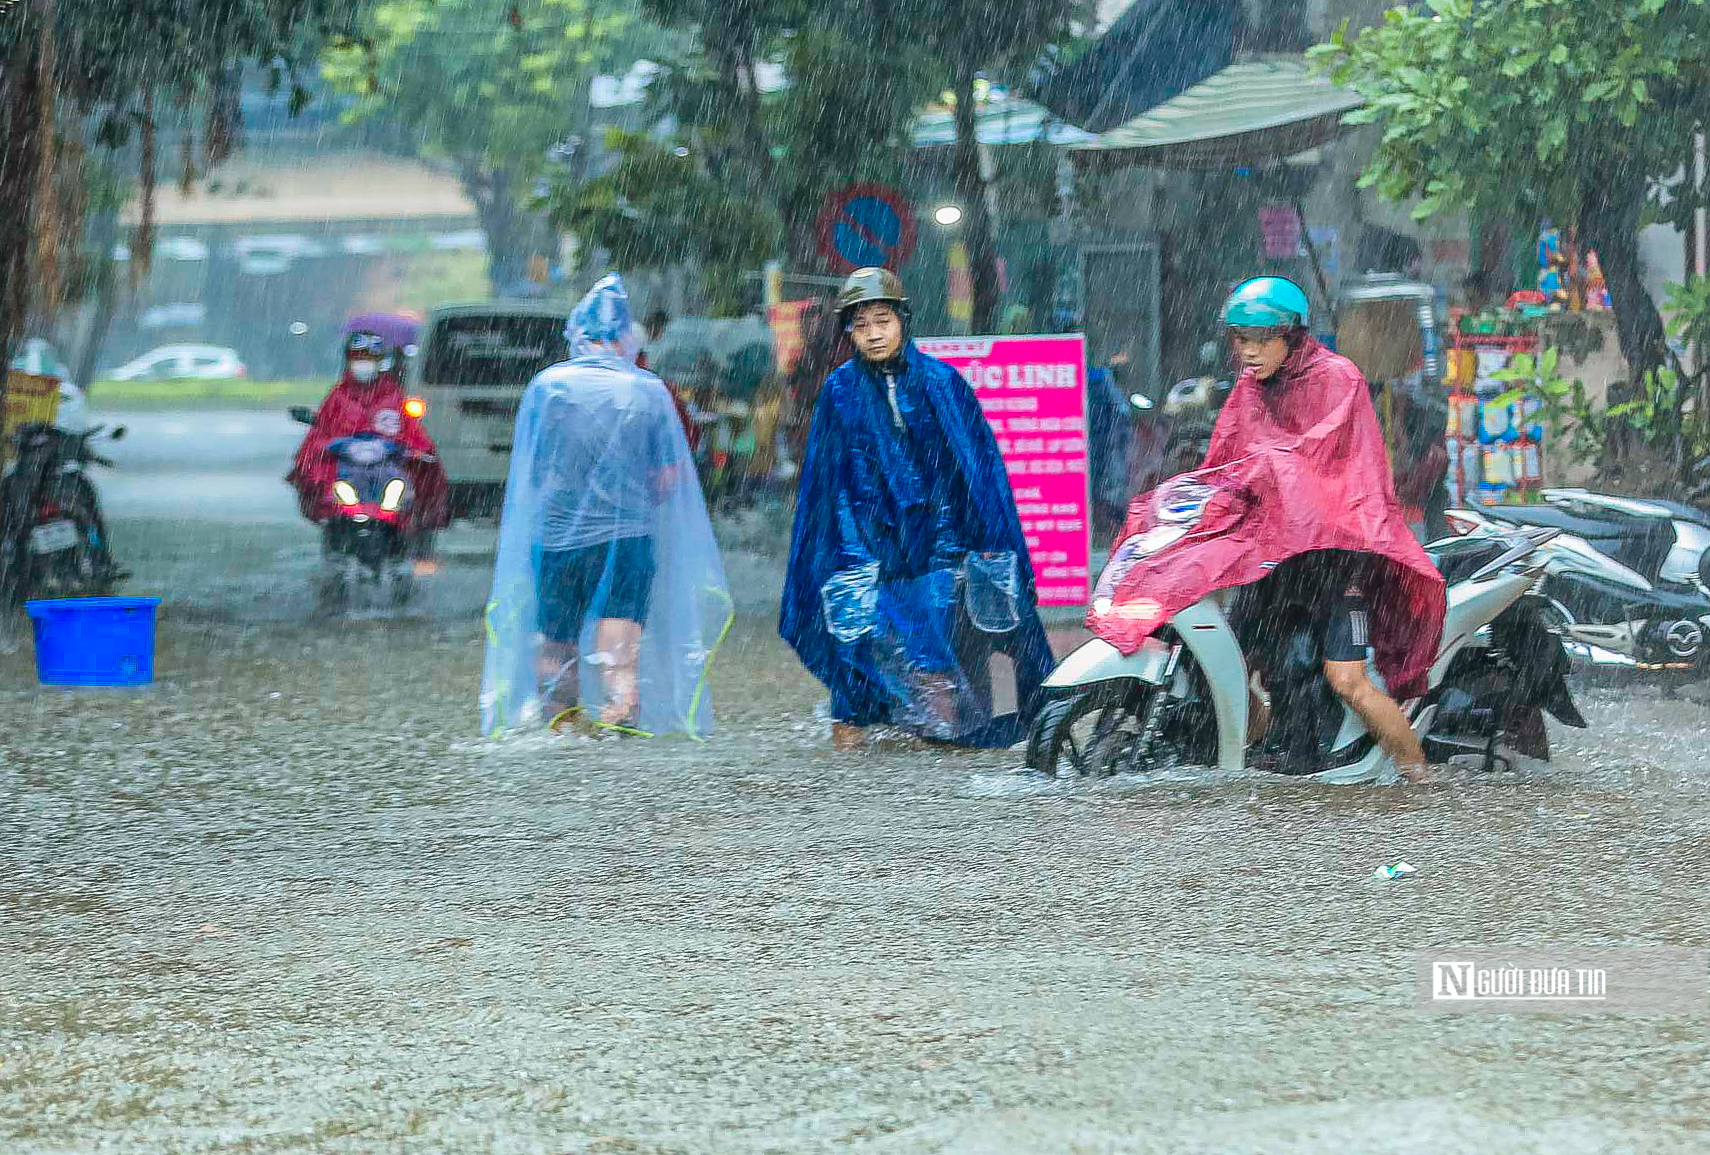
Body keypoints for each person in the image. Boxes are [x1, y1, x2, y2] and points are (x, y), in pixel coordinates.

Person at [780, 267, 1055, 752]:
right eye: (861, 326)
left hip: (936, 551)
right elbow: (827, 483)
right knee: (854, 663)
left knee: (935, 658)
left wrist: (977, 545)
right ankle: (855, 789)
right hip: (864, 552)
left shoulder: (941, 384)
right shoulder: (840, 393)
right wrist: (845, 554)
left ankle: (940, 774)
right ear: (849, 332)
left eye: (882, 320)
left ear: (902, 320)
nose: (873, 333)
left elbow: (973, 474)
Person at [1207, 277, 1445, 781]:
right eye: (1241, 338)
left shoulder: (1339, 378)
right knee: (1228, 666)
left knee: (1348, 681)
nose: (1248, 352)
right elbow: (1224, 460)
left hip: (1339, 557)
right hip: (1278, 556)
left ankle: (1421, 777)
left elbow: (1325, 460)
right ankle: (1266, 755)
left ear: (1292, 336)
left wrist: (1268, 470)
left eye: (1260, 339)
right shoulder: (1249, 389)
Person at [480, 274, 731, 739]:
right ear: (627, 337)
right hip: (627, 535)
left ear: (577, 335)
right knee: (619, 634)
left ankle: (559, 718)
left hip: (556, 539)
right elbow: (668, 477)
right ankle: (621, 712)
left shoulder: (546, 388)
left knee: (556, 634)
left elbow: (530, 473)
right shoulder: (650, 392)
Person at [287, 320, 449, 536]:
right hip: (346, 470)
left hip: (388, 470)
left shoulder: (393, 396)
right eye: (358, 357)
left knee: (405, 490)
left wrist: (416, 452)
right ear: (349, 360)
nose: (364, 363)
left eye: (370, 358)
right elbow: (322, 432)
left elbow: (412, 434)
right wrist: (322, 449)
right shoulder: (337, 396)